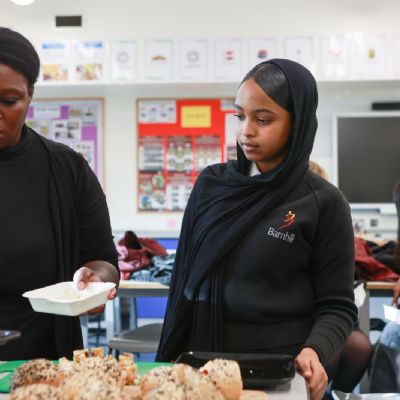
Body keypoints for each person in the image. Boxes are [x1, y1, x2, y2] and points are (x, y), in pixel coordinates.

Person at [156, 59, 358, 400]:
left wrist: (315, 350)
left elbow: (337, 306)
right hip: (202, 360)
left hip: (281, 369)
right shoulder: (212, 185)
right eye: (240, 116)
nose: (246, 131)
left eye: (263, 120)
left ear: (297, 124)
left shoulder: (323, 202)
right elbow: (183, 280)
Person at [0, 27, 119, 360]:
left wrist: (94, 281)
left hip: (45, 359)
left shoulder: (68, 169)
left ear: (30, 96)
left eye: (9, 101)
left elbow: (104, 262)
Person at [308, 161, 373, 396]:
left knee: (360, 346)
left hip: (331, 313)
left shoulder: (333, 219)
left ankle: (335, 395)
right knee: (332, 352)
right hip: (301, 318)